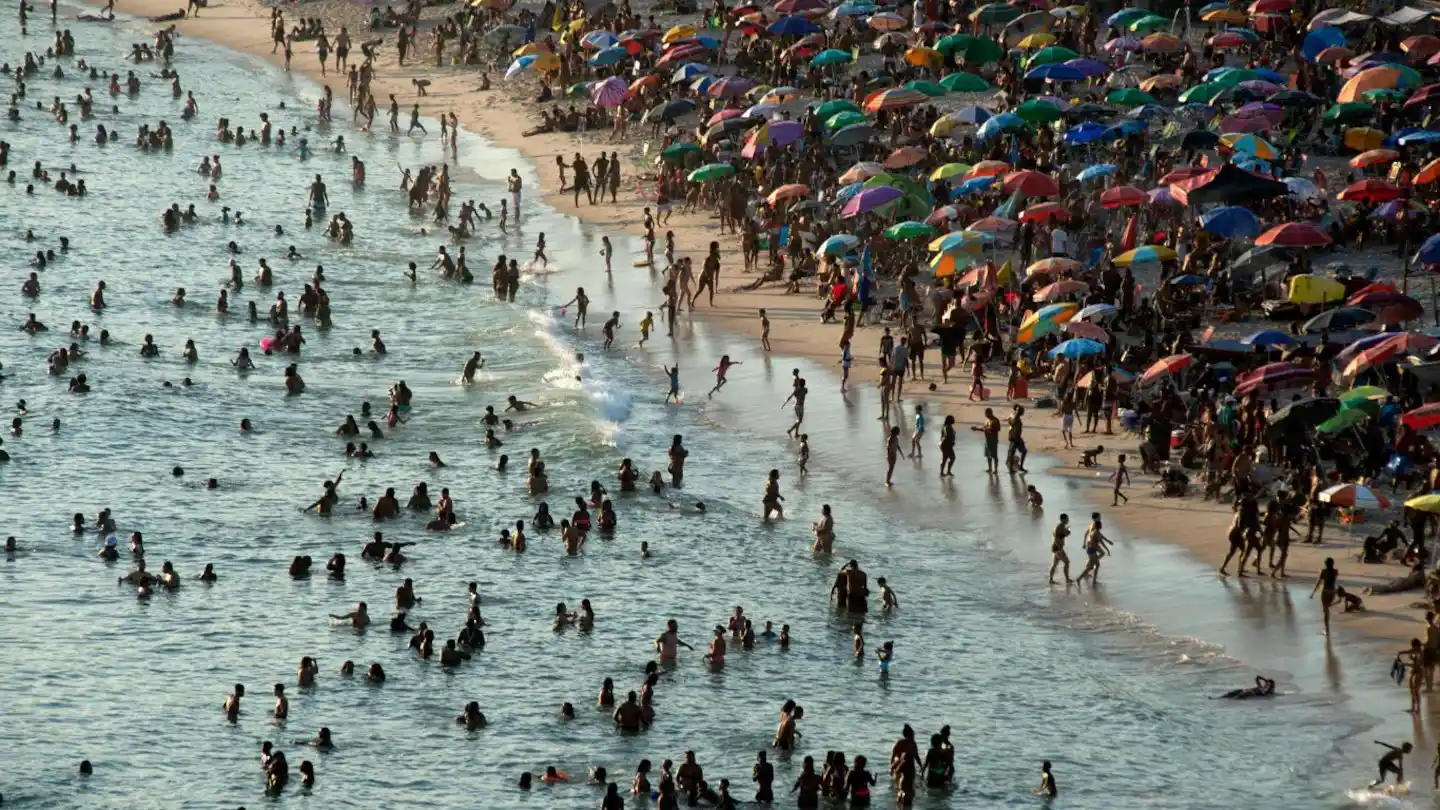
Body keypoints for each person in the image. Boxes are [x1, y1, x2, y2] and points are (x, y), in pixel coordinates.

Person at [1310, 557, 1339, 636]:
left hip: (1325, 592)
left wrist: (1313, 593)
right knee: (1328, 608)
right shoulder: (1336, 571)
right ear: (1333, 563)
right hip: (1332, 592)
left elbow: (1319, 583)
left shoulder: (1323, 572)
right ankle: (1327, 628)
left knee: (1325, 611)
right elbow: (1333, 580)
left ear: (1325, 564)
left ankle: (1327, 630)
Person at [1212, 676, 1276, 699]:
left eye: (1268, 685)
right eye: (1266, 684)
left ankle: (1233, 700)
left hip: (1249, 693)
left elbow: (1264, 693)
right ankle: (1219, 698)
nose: (1266, 685)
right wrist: (1265, 679)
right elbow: (1257, 677)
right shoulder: (1261, 687)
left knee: (1248, 692)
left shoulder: (1268, 692)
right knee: (1238, 690)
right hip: (1244, 691)